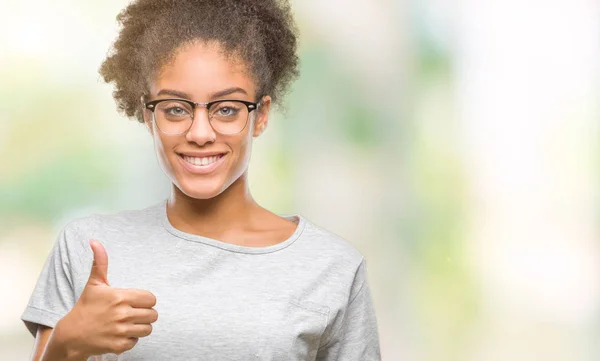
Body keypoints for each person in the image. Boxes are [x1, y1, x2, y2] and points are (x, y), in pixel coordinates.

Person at [21, 0, 382, 360]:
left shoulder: (332, 267)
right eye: (175, 108)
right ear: (148, 116)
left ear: (261, 116)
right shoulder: (87, 248)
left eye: (226, 109)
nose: (200, 132)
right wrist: (66, 344)